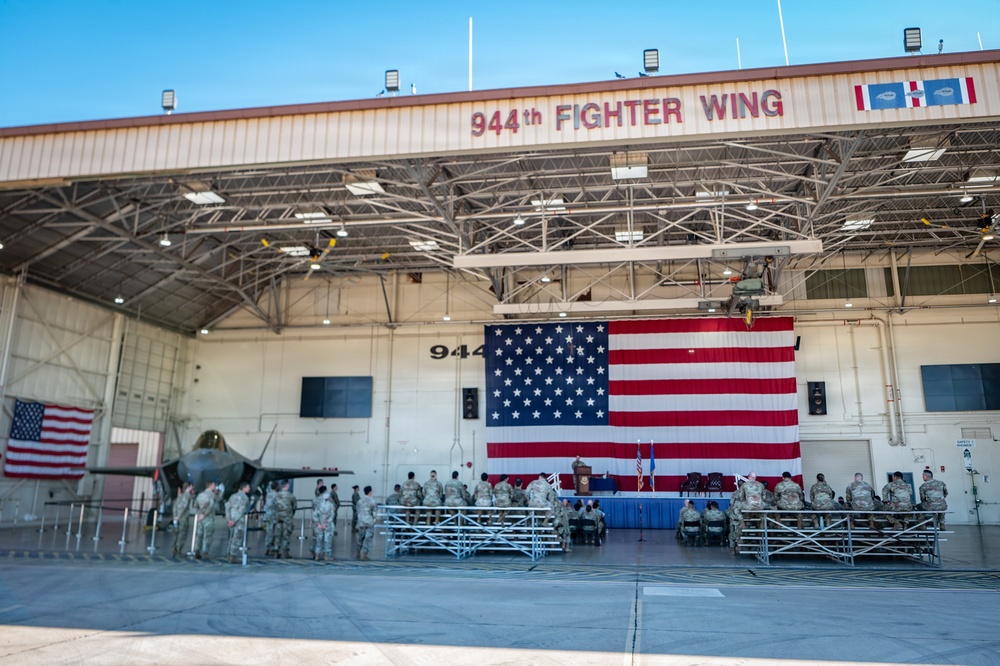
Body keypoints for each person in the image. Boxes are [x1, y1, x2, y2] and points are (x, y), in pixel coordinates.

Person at [225, 482, 251, 563]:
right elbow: (241, 510)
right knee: (237, 538)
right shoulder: (245, 498)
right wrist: (234, 521)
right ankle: (233, 556)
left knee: (231, 537)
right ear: (244, 488)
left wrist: (229, 519)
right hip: (238, 521)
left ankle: (228, 554)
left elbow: (227, 508)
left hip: (231, 520)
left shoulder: (232, 496)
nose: (249, 489)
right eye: (248, 487)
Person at [193, 481, 219, 560]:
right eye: (214, 485)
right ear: (210, 485)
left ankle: (197, 551)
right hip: (208, 518)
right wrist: (204, 514)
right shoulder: (212, 495)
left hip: (200, 517)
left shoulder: (200, 495)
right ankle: (205, 552)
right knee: (207, 535)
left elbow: (195, 505)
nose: (215, 486)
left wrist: (199, 514)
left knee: (199, 535)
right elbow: (211, 506)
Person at [273, 480, 296, 558]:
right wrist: (290, 515)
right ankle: (285, 552)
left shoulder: (276, 495)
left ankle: (276, 551)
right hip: (287, 518)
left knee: (277, 535)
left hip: (278, 518)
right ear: (287, 486)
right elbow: (294, 507)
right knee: (286, 535)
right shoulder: (291, 496)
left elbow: (274, 506)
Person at [171, 483, 195, 557]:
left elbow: (175, 507)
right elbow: (184, 507)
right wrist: (179, 516)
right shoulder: (186, 496)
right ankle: (178, 550)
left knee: (176, 534)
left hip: (177, 518)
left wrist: (175, 516)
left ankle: (174, 549)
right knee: (182, 535)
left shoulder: (180, 496)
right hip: (183, 519)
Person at [355, 485, 378, 560]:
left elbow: (358, 510)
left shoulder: (359, 501)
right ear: (370, 492)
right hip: (369, 522)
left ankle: (358, 553)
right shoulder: (372, 501)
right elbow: (374, 512)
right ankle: (365, 554)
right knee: (368, 539)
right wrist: (374, 519)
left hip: (361, 522)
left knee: (360, 538)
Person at [312, 489, 335, 561]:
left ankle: (317, 555)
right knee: (327, 540)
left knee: (318, 540)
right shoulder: (331, 505)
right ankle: (326, 556)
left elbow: (314, 515)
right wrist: (326, 523)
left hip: (319, 526)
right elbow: (332, 516)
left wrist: (318, 523)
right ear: (328, 498)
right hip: (327, 525)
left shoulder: (318, 505)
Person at [263, 480, 279, 556]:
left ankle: (267, 548)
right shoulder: (276, 495)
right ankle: (273, 549)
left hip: (268, 515)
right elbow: (278, 505)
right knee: (275, 532)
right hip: (274, 515)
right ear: (276, 487)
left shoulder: (268, 494)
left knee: (268, 531)